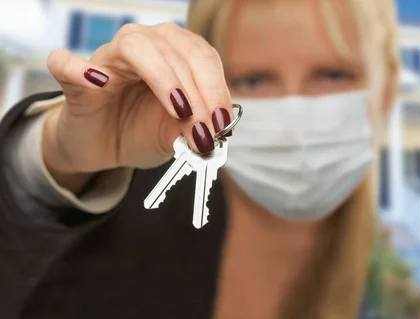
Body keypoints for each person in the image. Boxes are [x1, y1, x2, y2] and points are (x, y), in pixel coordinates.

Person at [0, 0, 399, 318]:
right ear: (206, 83)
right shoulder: (120, 224)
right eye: (253, 80)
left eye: (333, 75)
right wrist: (51, 160)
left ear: (388, 88)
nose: (293, 113)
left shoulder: (394, 296)